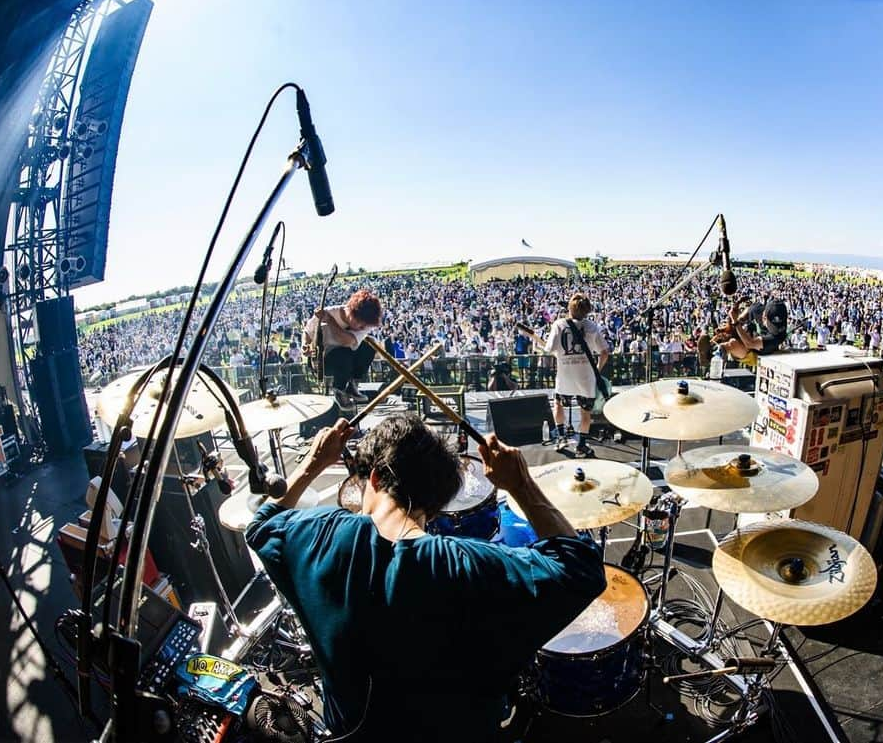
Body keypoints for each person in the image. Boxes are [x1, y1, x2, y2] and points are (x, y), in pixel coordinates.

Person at [245, 416, 605, 742]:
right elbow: (581, 568)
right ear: (437, 504)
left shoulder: (317, 536)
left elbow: (261, 524)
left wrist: (314, 463)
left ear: (372, 478)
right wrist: (521, 484)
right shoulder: (471, 567)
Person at [543, 293, 610, 457]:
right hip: (586, 377)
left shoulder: (559, 325)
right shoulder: (592, 327)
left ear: (569, 308)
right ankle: (581, 445)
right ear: (587, 311)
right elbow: (604, 352)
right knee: (585, 413)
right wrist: (597, 370)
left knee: (558, 404)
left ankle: (561, 438)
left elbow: (549, 349)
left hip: (565, 376)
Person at [303, 289, 383, 408]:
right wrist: (306, 346)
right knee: (342, 354)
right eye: (360, 324)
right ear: (351, 313)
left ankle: (352, 384)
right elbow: (307, 331)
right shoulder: (330, 312)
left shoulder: (365, 324)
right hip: (324, 361)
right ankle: (339, 390)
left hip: (346, 357)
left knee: (368, 346)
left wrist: (330, 321)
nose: (362, 328)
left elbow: (346, 341)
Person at [719, 298, 789, 366]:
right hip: (750, 337)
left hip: (756, 354)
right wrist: (740, 319)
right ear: (764, 316)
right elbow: (749, 309)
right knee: (726, 334)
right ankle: (717, 348)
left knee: (732, 344)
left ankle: (719, 354)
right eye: (772, 326)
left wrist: (736, 322)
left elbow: (750, 344)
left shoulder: (777, 336)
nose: (775, 329)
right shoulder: (757, 309)